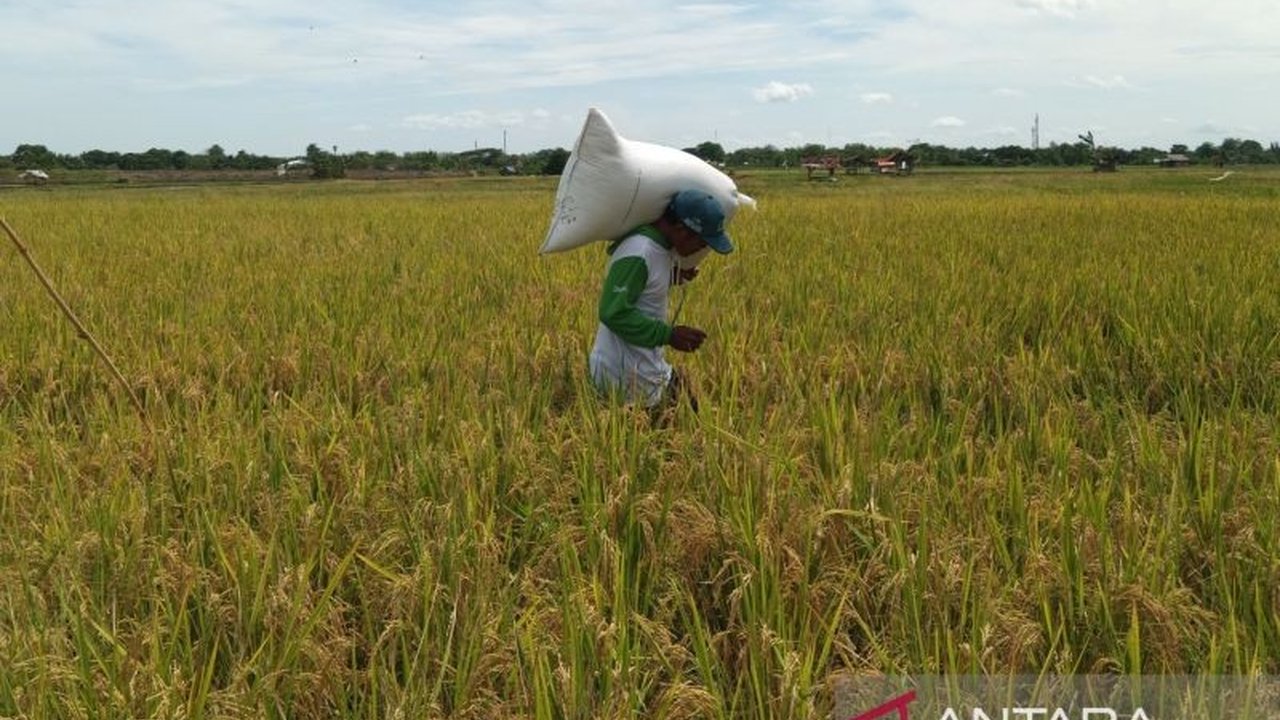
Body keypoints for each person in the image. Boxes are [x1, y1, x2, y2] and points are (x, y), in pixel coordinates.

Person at [588, 189, 734, 414]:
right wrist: (669, 335)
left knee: (694, 415)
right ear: (682, 230)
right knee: (668, 437)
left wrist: (670, 277)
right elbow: (612, 312)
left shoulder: (661, 249)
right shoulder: (639, 252)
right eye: (703, 242)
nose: (703, 250)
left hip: (647, 366)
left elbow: (643, 287)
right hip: (626, 375)